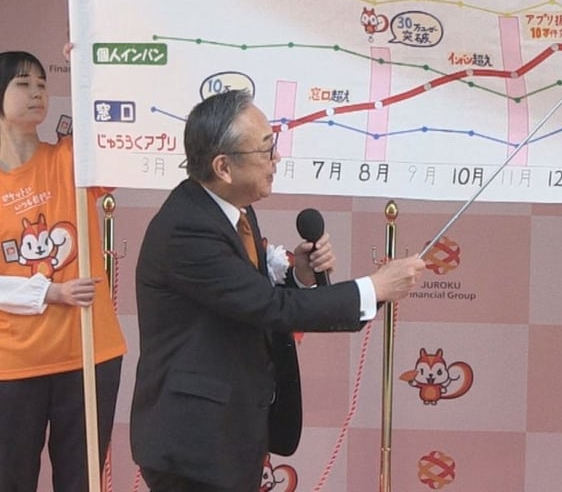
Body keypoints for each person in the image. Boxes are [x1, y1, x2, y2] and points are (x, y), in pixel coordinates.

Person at [130, 88, 426, 492]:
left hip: (227, 433)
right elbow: (269, 307)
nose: (277, 160)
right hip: (194, 444)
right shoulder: (187, 228)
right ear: (224, 167)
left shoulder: (230, 209)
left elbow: (242, 296)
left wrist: (298, 275)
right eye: (266, 149)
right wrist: (374, 288)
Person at [0, 50, 126, 492]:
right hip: (14, 363)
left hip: (89, 352)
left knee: (81, 482)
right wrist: (49, 293)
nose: (37, 92)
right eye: (23, 83)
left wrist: (94, 61)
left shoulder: (72, 159)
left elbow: (116, 121)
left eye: (41, 83)